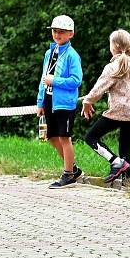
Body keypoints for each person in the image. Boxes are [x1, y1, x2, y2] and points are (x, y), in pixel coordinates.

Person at [81, 30, 130, 183]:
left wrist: (87, 102)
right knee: (124, 145)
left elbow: (98, 89)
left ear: (114, 46)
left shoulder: (112, 67)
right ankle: (126, 180)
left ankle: (115, 162)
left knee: (90, 137)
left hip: (119, 112)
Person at [36, 15, 83, 189]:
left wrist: (54, 81)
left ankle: (68, 175)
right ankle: (73, 168)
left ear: (71, 34)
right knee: (51, 137)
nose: (57, 35)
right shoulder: (50, 53)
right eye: (55, 31)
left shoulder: (72, 55)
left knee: (64, 137)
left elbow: (76, 80)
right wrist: (40, 102)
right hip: (49, 100)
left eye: (61, 32)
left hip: (64, 103)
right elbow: (43, 78)